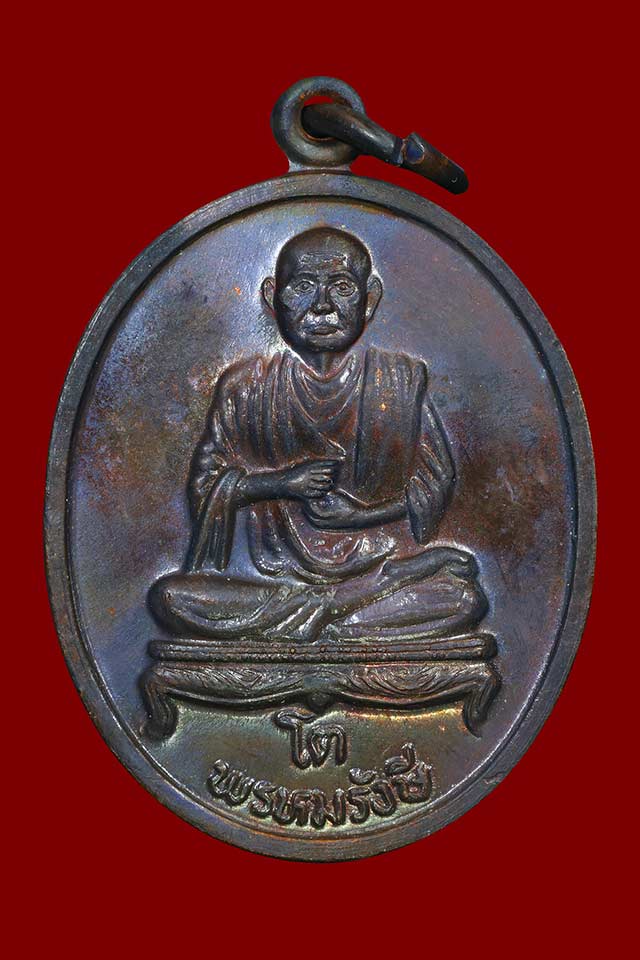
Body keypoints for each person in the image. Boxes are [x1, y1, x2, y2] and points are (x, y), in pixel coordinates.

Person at [149, 227, 487, 643]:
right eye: (304, 286)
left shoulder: (399, 381)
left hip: (376, 560)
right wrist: (281, 483)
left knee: (462, 599)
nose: (322, 306)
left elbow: (433, 487)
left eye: (342, 287)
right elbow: (206, 488)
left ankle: (325, 613)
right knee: (171, 598)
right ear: (273, 297)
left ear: (370, 299)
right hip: (274, 576)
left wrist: (360, 517)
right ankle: (339, 613)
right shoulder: (246, 386)